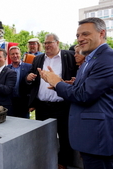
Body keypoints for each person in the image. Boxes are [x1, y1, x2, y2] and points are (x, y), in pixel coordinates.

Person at [38, 17, 113, 169]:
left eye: (85, 34)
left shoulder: (109, 58)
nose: (80, 39)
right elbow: (83, 89)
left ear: (102, 33)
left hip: (99, 137)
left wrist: (57, 83)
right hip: (90, 136)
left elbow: (83, 95)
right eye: (78, 36)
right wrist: (63, 84)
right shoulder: (91, 59)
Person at [26, 33, 77, 169]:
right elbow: (31, 80)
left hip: (62, 105)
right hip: (42, 106)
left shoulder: (69, 56)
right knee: (42, 137)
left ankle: (62, 163)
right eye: (45, 43)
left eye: (50, 42)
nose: (47, 45)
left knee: (64, 136)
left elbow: (77, 75)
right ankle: (44, 160)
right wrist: (29, 78)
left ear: (57, 43)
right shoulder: (38, 59)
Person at [6, 46, 31, 118]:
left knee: (24, 125)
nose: (15, 56)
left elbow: (33, 85)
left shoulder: (29, 67)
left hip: (23, 102)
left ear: (20, 54)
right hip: (10, 102)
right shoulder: (6, 69)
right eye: (12, 54)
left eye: (17, 53)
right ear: (9, 56)